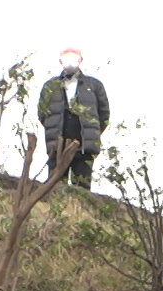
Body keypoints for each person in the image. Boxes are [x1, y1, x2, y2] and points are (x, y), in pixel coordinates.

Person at [37, 49, 110, 189]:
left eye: (74, 58)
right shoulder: (50, 87)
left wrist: (91, 135)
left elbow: (104, 115)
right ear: (60, 61)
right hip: (57, 146)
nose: (70, 61)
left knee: (82, 190)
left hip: (84, 147)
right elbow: (42, 113)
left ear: (80, 60)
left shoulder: (94, 86)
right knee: (54, 188)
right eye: (66, 58)